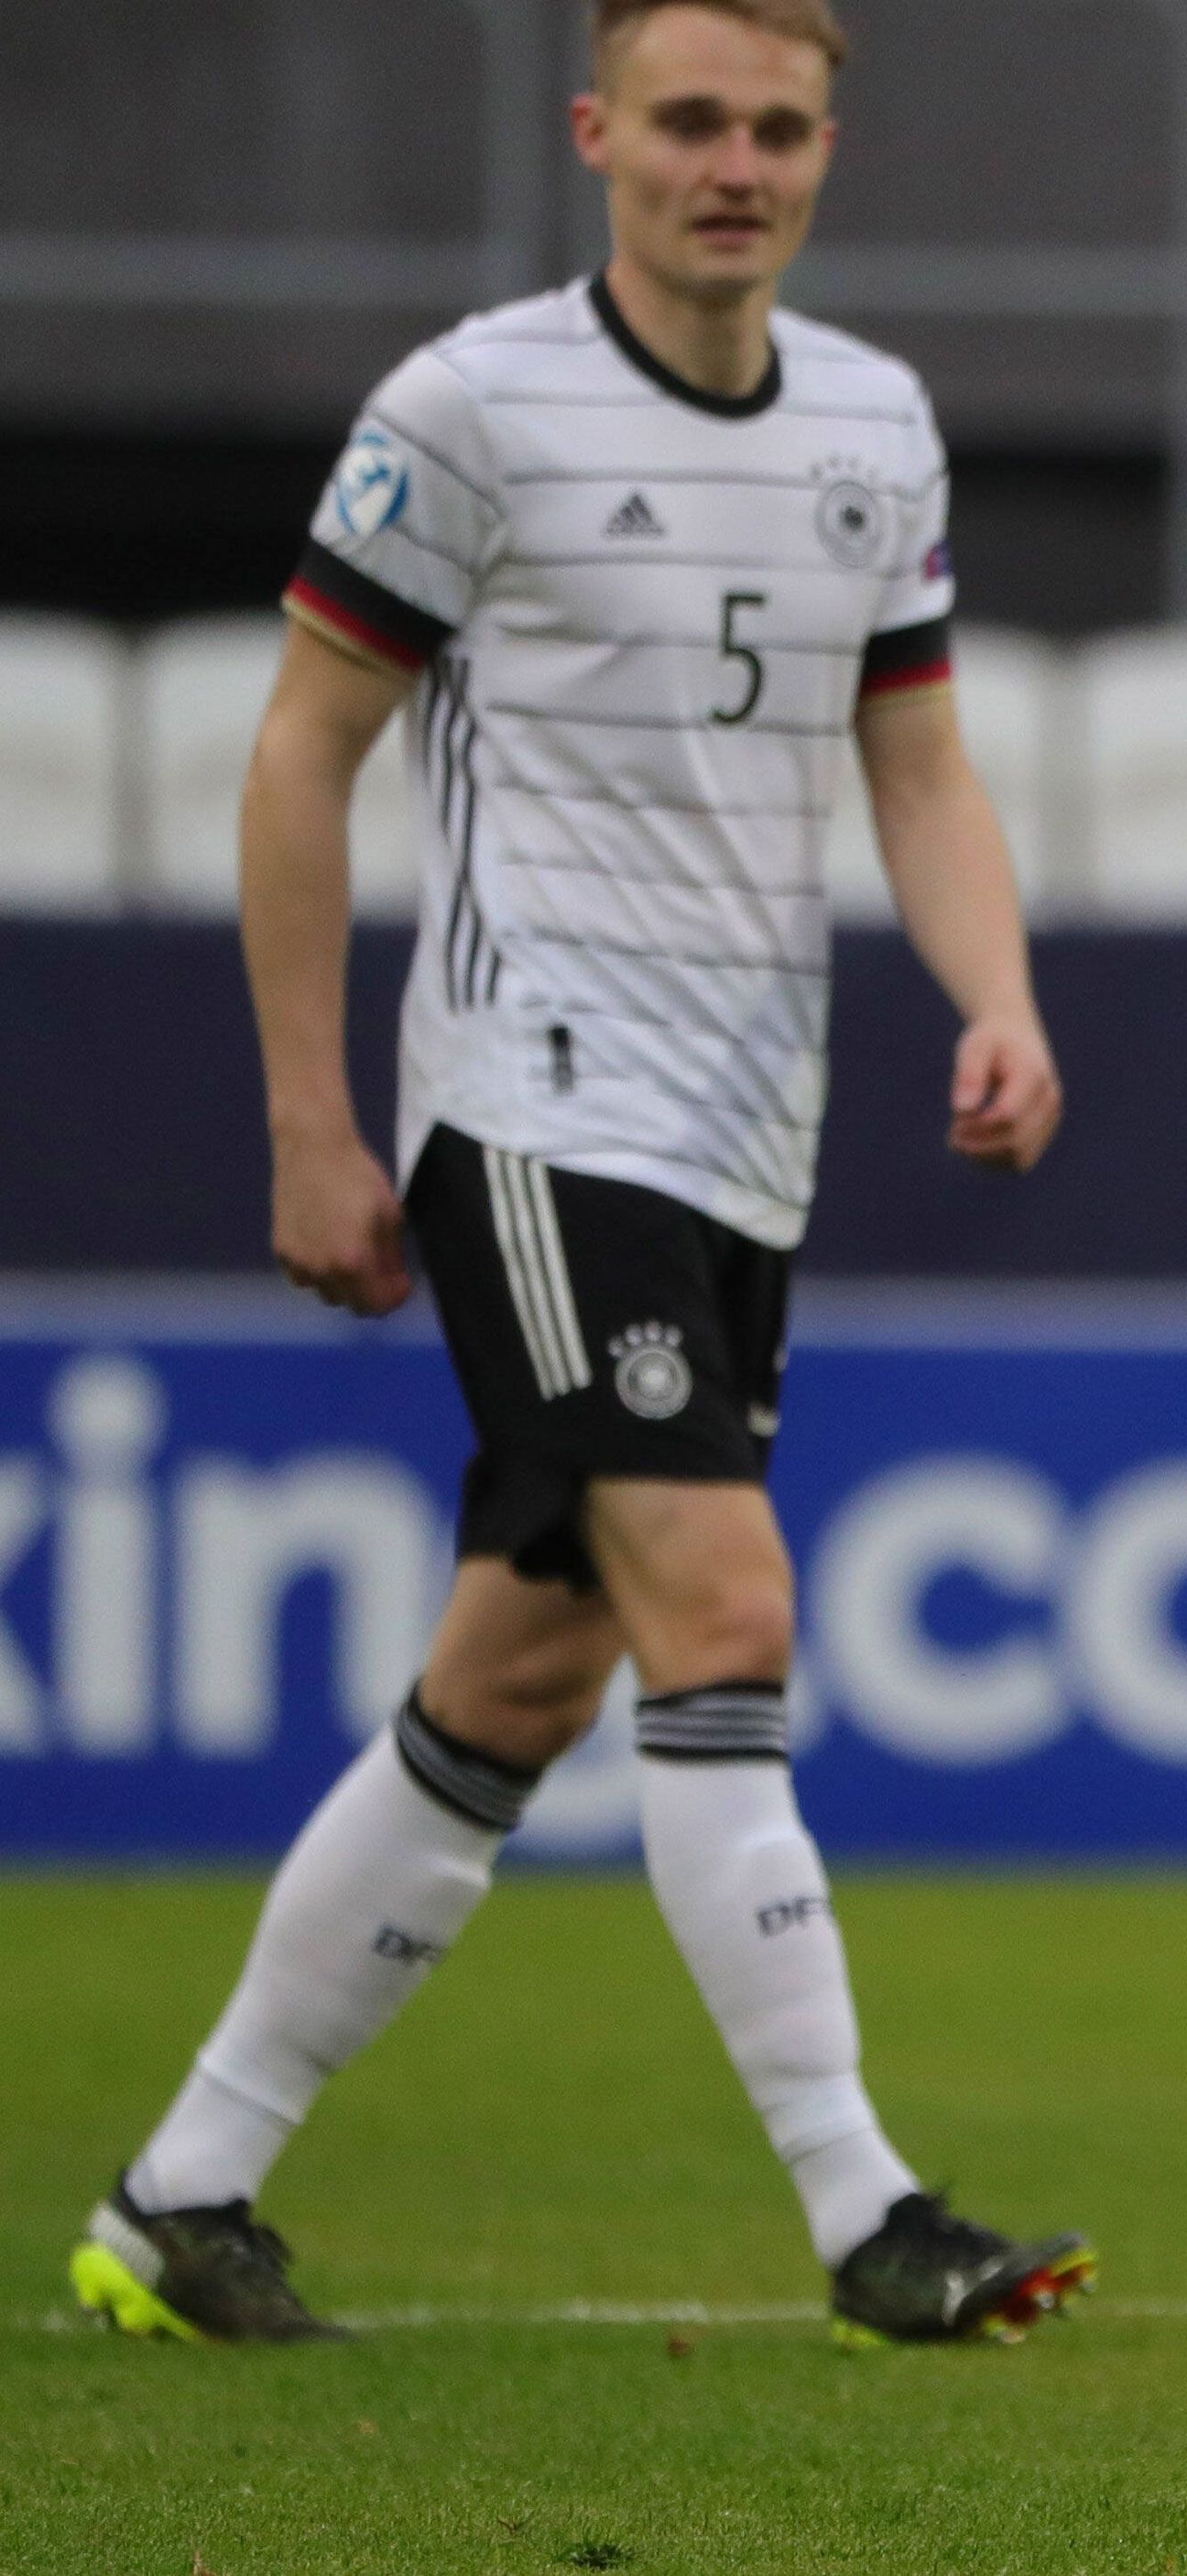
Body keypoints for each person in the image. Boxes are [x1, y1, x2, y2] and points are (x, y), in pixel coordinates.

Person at [67, 0, 1091, 2350]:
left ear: (828, 148)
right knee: (723, 1611)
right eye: (693, 121)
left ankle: (179, 2192)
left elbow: (917, 765)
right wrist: (315, 1119)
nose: (734, 164)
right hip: (533, 1103)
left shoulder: (871, 421)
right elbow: (301, 755)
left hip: (748, 1134)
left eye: (779, 127)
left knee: (517, 1675)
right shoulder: (472, 408)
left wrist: (999, 993)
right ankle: (868, 2210)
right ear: (598, 136)